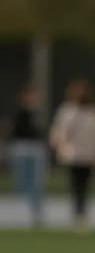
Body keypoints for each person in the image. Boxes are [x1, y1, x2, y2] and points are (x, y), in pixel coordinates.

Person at [48, 78, 95, 227]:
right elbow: (59, 133)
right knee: (76, 185)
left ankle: (81, 212)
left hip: (89, 156)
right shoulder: (67, 112)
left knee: (84, 185)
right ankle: (78, 213)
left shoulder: (94, 112)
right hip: (73, 155)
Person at [8, 81, 48, 226]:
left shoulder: (37, 113)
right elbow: (15, 131)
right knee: (22, 182)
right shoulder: (19, 113)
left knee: (36, 182)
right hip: (22, 148)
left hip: (35, 149)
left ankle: (36, 212)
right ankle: (22, 212)